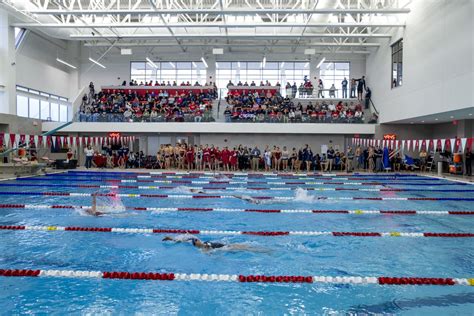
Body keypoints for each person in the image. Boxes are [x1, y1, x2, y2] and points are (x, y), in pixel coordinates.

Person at [162, 235, 268, 252]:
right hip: (227, 248)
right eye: (196, 241)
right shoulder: (204, 246)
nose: (197, 240)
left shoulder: (204, 244)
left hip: (227, 246)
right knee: (247, 248)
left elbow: (182, 240)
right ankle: (264, 251)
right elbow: (208, 252)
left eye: (196, 239)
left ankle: (264, 250)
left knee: (247, 247)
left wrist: (171, 239)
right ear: (196, 244)